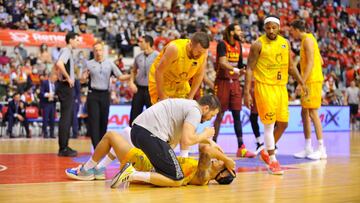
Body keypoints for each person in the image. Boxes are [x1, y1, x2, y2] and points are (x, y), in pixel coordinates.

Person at [65, 127, 236, 187]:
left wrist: (227, 159)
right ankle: (100, 169)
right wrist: (210, 140)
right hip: (151, 162)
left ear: (221, 174)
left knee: (111, 136)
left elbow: (205, 150)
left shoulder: (204, 177)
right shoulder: (203, 171)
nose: (220, 160)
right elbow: (203, 146)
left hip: (146, 164)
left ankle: (87, 170)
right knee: (124, 134)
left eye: (222, 164)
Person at [244, 16, 306, 175]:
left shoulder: (285, 43)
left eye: (274, 27)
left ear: (279, 27)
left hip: (281, 88)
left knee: (284, 124)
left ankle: (265, 150)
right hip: (265, 87)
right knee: (269, 125)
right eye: (268, 28)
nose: (271, 31)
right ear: (265, 28)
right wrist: (247, 92)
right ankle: (272, 160)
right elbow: (250, 68)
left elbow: (291, 67)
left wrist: (301, 82)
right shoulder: (258, 44)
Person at [122, 95, 222, 185]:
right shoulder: (195, 111)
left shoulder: (189, 106)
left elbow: (189, 136)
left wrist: (209, 141)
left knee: (165, 172)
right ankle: (131, 174)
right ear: (206, 108)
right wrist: (205, 134)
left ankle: (133, 174)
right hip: (150, 133)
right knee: (177, 178)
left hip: (139, 131)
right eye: (212, 115)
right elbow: (187, 140)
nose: (210, 119)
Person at [213, 24, 255, 158]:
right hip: (222, 82)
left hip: (235, 83)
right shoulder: (222, 44)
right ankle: (212, 145)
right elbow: (223, 63)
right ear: (231, 32)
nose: (240, 32)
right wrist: (237, 70)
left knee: (237, 115)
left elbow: (241, 65)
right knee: (219, 115)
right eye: (238, 30)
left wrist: (247, 68)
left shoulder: (239, 46)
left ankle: (241, 147)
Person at [81, 41, 130, 148]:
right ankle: (96, 146)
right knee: (94, 122)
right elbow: (81, 80)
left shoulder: (110, 63)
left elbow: (120, 77)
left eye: (100, 50)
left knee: (104, 121)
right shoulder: (88, 64)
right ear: (93, 52)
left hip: (104, 95)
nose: (98, 52)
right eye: (96, 50)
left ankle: (102, 146)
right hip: (92, 94)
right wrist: (83, 77)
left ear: (103, 51)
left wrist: (132, 75)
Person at [290, 20, 327, 160]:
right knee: (304, 112)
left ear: (297, 29)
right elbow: (320, 61)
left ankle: (322, 149)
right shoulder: (310, 39)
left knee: (312, 112)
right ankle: (308, 147)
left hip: (311, 81)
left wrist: (302, 82)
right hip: (312, 79)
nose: (291, 33)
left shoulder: (307, 41)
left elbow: (311, 62)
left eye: (292, 30)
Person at [148, 32, 210, 105]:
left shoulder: (203, 53)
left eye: (203, 52)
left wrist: (190, 97)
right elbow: (159, 71)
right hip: (162, 81)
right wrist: (162, 97)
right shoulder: (174, 49)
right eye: (198, 52)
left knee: (187, 108)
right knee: (164, 111)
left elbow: (199, 76)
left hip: (181, 82)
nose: (200, 55)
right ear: (190, 45)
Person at [55, 32, 80, 157]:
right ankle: (63, 148)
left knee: (67, 117)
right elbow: (59, 64)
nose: (78, 42)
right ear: (70, 40)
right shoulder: (66, 50)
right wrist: (68, 77)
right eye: (76, 39)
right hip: (65, 87)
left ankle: (64, 145)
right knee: (66, 117)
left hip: (64, 86)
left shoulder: (67, 51)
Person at [128, 35, 159, 126]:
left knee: (153, 114)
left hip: (152, 89)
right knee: (134, 113)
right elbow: (133, 71)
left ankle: (151, 137)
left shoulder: (158, 56)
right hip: (139, 89)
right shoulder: (138, 57)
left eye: (141, 42)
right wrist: (131, 82)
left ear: (148, 43)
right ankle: (131, 135)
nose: (139, 44)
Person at [40, 72, 57, 138]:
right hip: (46, 104)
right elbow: (41, 93)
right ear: (50, 77)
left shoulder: (55, 84)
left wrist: (55, 96)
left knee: (52, 119)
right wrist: (48, 95)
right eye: (54, 78)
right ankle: (45, 133)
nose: (55, 79)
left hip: (53, 103)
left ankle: (52, 134)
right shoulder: (45, 83)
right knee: (45, 119)